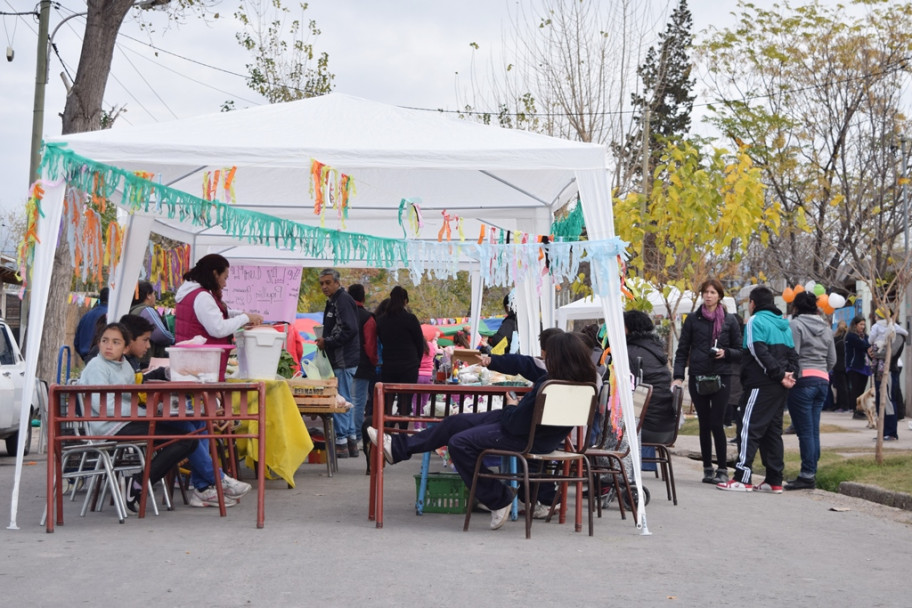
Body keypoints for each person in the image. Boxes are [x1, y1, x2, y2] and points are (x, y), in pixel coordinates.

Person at [367, 331, 596, 530]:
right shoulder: (583, 385)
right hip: (536, 436)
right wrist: (513, 410)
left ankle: (499, 498)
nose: (545, 358)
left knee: (459, 443)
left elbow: (516, 422)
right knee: (455, 423)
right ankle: (397, 448)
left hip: (524, 436)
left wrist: (511, 406)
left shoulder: (548, 385)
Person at [120, 314, 251, 507]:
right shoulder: (113, 364)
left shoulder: (126, 363)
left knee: (198, 422)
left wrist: (167, 372)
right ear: (129, 340)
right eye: (145, 340)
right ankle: (215, 479)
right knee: (188, 430)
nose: (148, 346)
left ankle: (203, 488)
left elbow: (138, 380)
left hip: (139, 416)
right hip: (127, 422)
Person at [78, 322, 197, 513]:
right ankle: (137, 484)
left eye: (116, 342)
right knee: (181, 440)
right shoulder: (96, 367)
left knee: (188, 440)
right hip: (107, 427)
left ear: (126, 348)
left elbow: (131, 401)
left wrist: (151, 410)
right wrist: (145, 414)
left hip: (128, 422)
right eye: (105, 341)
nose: (109, 346)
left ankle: (137, 482)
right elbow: (105, 407)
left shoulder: (125, 367)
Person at [718, 286, 798, 493]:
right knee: (772, 432)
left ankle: (742, 477)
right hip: (779, 385)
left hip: (761, 383)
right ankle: (774, 480)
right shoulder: (784, 325)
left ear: (753, 303)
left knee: (748, 427)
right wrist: (790, 375)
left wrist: (779, 375)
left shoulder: (755, 321)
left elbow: (757, 351)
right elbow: (792, 355)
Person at [672, 279, 742, 485]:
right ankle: (707, 467)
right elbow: (682, 349)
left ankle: (722, 467)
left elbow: (740, 351)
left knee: (716, 422)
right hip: (698, 376)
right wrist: (678, 376)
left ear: (719, 295)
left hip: (721, 376)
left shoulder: (730, 321)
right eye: (705, 292)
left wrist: (725, 352)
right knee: (704, 423)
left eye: (712, 292)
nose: (708, 295)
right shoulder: (693, 319)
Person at [174, 254, 264, 381]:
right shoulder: (202, 297)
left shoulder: (190, 293)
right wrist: (244, 318)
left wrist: (242, 316)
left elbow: (213, 315)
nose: (225, 284)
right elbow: (218, 329)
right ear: (215, 274)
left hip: (192, 365)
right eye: (225, 278)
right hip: (202, 369)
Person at [785, 292, 836, 490]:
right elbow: (832, 359)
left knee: (804, 432)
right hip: (822, 381)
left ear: (796, 307)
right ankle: (811, 472)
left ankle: (806, 475)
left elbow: (793, 355)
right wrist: (821, 371)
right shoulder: (826, 328)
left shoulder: (795, 325)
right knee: (813, 430)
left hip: (803, 381)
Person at [315, 269, 361, 457]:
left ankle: (341, 441)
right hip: (341, 359)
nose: (325, 287)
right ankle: (350, 441)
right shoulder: (334, 301)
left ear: (336, 282)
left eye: (328, 283)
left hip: (343, 359)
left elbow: (349, 329)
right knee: (345, 400)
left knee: (340, 400)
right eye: (322, 284)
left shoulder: (342, 300)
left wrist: (328, 342)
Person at [375, 286, 424, 429]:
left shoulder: (382, 320)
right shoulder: (410, 319)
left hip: (389, 365)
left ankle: (387, 430)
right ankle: (402, 433)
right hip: (409, 365)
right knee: (405, 400)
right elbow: (419, 343)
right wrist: (417, 362)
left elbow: (382, 340)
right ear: (405, 301)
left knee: (388, 400)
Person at [868, 310, 907, 440]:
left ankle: (891, 433)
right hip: (879, 372)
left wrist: (875, 354)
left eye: (879, 317)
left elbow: (891, 353)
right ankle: (883, 432)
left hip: (889, 371)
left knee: (888, 401)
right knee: (880, 402)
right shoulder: (882, 334)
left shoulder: (898, 334)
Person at [348, 283, 378, 451]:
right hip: (362, 364)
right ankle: (357, 437)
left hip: (342, 364)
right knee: (358, 402)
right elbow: (370, 345)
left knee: (345, 400)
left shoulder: (342, 314)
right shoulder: (367, 318)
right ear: (363, 297)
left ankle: (343, 436)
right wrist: (374, 361)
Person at [130, 280, 175, 364]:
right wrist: (173, 339)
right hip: (148, 358)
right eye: (153, 294)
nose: (155, 297)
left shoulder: (132, 310)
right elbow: (160, 335)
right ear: (148, 295)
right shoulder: (147, 310)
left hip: (137, 358)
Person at [845, 315, 872, 421]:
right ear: (855, 325)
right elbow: (863, 345)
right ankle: (856, 411)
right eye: (861, 324)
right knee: (856, 390)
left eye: (864, 325)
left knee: (862, 390)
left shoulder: (865, 336)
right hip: (854, 366)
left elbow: (868, 346)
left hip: (864, 366)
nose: (863, 327)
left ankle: (861, 410)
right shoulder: (851, 336)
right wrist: (869, 346)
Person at [74, 287, 109, 362]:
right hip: (103, 359)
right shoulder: (110, 315)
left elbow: (76, 342)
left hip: (86, 357)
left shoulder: (87, 315)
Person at [830, 321, 850, 412]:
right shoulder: (848, 338)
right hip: (847, 364)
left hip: (838, 365)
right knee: (846, 386)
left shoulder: (836, 339)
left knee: (840, 387)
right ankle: (846, 405)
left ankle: (841, 405)